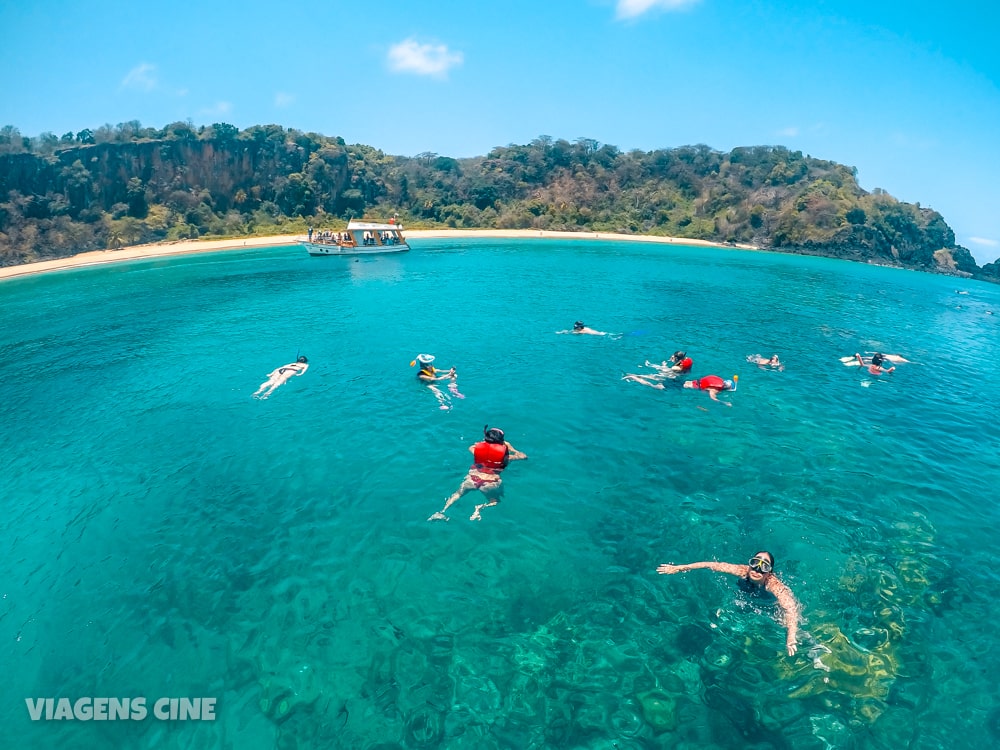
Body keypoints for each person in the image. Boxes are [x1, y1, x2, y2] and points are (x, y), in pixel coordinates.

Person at [656, 551, 801, 656]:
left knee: (782, 622)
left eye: (764, 567)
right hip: (745, 592)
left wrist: (791, 636)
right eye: (755, 563)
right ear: (749, 564)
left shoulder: (775, 586)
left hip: (768, 600)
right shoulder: (741, 571)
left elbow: (791, 610)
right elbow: (709, 564)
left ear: (769, 573)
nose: (757, 569)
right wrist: (680, 567)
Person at [428, 426, 527, 521]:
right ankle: (479, 508)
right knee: (495, 501)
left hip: (472, 479)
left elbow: (470, 447)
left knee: (457, 494)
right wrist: (512, 449)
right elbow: (523, 456)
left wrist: (484, 444)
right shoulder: (507, 458)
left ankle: (442, 511)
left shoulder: (475, 450)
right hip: (490, 483)